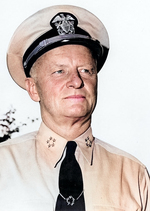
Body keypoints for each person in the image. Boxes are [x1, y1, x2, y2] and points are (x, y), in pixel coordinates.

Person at [0, 4, 149, 211]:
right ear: (33, 88)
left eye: (86, 70)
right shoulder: (3, 165)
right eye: (60, 71)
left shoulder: (133, 175)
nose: (76, 81)